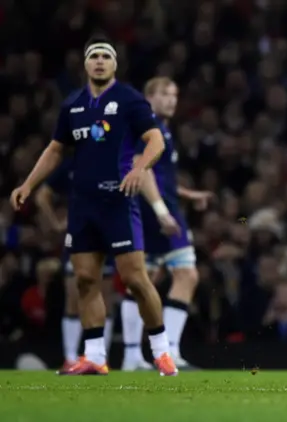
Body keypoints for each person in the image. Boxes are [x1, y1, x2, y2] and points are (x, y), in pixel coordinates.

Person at [10, 35, 177, 376]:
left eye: (106, 56)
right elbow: (56, 149)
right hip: (83, 205)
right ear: (85, 64)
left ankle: (161, 351)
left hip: (118, 203)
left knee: (135, 280)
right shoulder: (72, 104)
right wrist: (29, 183)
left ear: (114, 64)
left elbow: (155, 139)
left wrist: (138, 167)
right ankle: (95, 356)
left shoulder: (130, 99)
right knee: (86, 279)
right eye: (94, 56)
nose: (100, 61)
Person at [120, 76, 212, 370]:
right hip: (151, 211)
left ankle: (138, 354)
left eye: (175, 94)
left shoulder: (162, 130)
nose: (172, 100)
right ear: (150, 96)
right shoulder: (146, 127)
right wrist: (160, 211)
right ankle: (162, 352)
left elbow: (161, 177)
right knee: (179, 275)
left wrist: (188, 194)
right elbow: (140, 169)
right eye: (165, 94)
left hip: (160, 208)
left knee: (148, 279)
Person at [34, 158, 117, 371]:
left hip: (106, 235)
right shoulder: (70, 165)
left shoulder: (111, 161)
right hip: (78, 234)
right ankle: (70, 358)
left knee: (105, 298)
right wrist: (55, 224)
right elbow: (42, 196)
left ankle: (99, 359)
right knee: (74, 296)